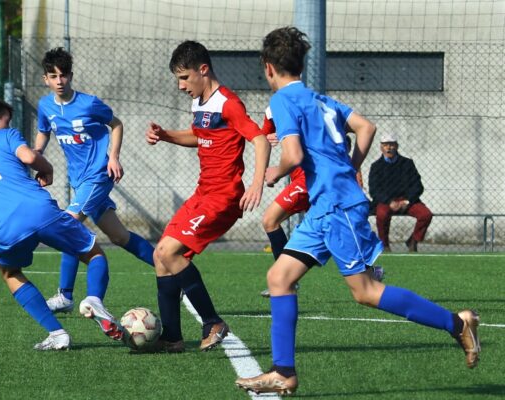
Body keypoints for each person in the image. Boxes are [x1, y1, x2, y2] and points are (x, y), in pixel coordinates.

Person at [235, 27, 480, 395]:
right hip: (325, 206)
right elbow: (366, 127)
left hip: (337, 208)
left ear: (269, 69)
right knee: (279, 279)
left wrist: (274, 172)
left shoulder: (284, 102)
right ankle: (282, 372)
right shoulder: (320, 99)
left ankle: (456, 324)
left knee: (365, 291)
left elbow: (294, 156)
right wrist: (351, 164)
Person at [0, 95, 125, 350]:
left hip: (5, 228)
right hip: (40, 210)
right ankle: (94, 299)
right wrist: (49, 169)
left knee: (9, 272)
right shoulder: (7, 135)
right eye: (6, 120)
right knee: (94, 254)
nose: (7, 125)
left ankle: (57, 333)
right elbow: (30, 158)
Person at [145, 40, 270, 353]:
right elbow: (200, 137)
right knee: (160, 256)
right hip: (202, 193)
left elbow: (259, 139)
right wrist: (166, 136)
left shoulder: (228, 103)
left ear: (203, 69)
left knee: (173, 253)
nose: (180, 85)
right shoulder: (200, 102)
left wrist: (256, 184)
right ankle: (172, 337)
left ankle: (212, 321)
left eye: (184, 77)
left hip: (223, 196)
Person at [34, 47, 155, 313]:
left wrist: (113, 156)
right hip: (79, 181)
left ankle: (65, 296)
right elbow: (43, 132)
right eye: (53, 76)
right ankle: (169, 269)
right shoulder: (45, 106)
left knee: (68, 225)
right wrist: (37, 155)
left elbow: (117, 124)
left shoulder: (89, 103)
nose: (59, 81)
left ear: (71, 76)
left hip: (98, 175)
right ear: (46, 79)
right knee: (120, 237)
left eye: (63, 75)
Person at [259, 117, 382, 298]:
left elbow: (319, 132)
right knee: (332, 231)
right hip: (305, 179)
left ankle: (285, 280)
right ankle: (370, 272)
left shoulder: (303, 106)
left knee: (270, 220)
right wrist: (267, 138)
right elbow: (261, 139)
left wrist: (286, 145)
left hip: (308, 180)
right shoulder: (273, 111)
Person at [368, 133, 433, 252]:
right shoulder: (376, 166)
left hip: (407, 200)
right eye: (385, 145)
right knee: (381, 215)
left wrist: (407, 200)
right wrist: (389, 201)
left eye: (392, 145)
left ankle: (413, 241)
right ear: (381, 147)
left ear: (397, 146)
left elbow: (418, 186)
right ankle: (384, 245)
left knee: (426, 215)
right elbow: (374, 190)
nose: (389, 148)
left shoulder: (407, 164)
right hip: (385, 201)